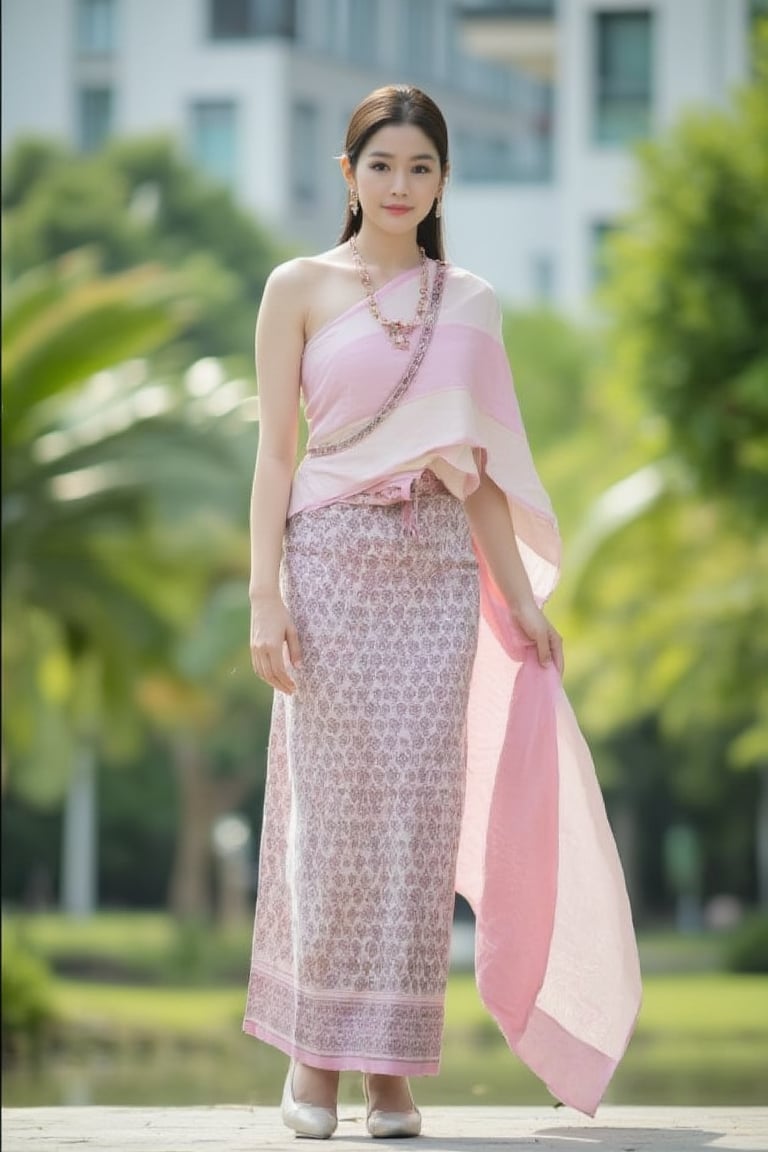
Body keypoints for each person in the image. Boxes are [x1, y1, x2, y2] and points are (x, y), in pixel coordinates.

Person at [243, 85, 641, 1141]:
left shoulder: (468, 302)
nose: (400, 186)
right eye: (382, 166)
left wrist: (520, 599)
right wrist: (263, 594)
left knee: (418, 824)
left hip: (431, 578)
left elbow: (482, 477)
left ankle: (391, 1077)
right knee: (329, 826)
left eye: (421, 168)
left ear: (443, 181)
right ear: (347, 173)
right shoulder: (298, 288)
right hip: (325, 569)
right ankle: (313, 1063)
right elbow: (276, 453)